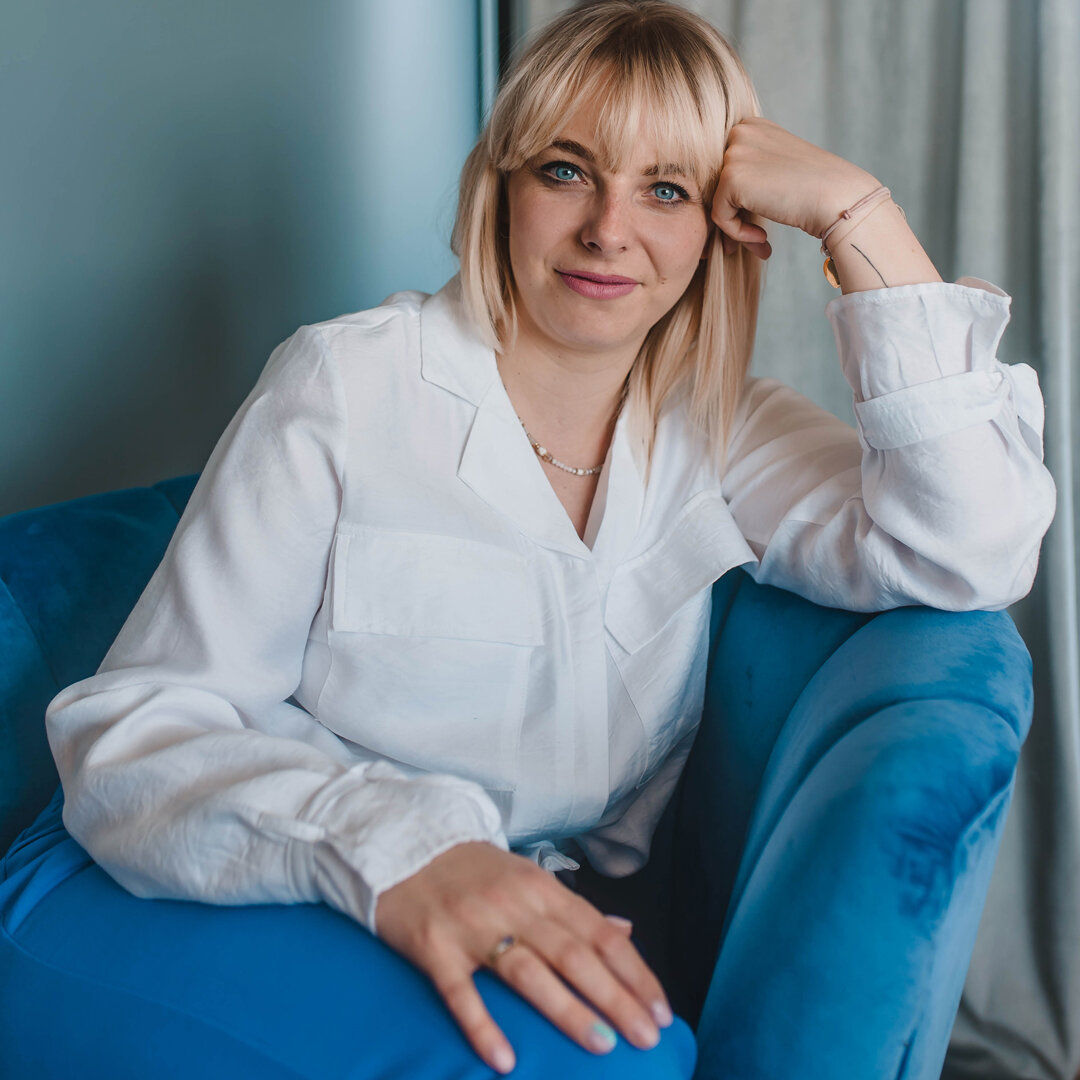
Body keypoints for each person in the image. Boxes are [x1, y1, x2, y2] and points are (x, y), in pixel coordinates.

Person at [43, 1, 1054, 1076]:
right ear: (503, 188)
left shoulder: (721, 432)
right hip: (236, 874)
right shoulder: (344, 383)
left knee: (629, 1057)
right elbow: (135, 734)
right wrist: (407, 850)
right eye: (567, 171)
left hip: (530, 912)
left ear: (723, 228)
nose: (608, 230)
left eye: (666, 189)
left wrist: (860, 216)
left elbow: (969, 548)